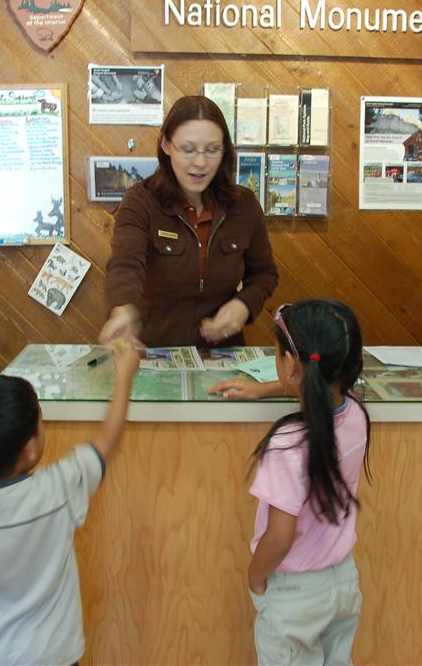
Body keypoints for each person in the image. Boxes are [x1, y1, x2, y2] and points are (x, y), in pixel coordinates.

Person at [0, 342, 140, 665]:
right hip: (55, 655)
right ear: (30, 450)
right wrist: (124, 376)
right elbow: (107, 440)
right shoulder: (58, 489)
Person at [246, 299, 371, 665]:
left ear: (289, 365)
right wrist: (268, 389)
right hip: (343, 580)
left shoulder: (288, 444)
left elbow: (280, 536)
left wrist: (255, 575)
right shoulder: (358, 416)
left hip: (294, 594)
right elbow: (318, 389)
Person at [100, 95, 278, 348]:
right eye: (188, 149)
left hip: (222, 352)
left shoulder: (244, 204)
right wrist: (122, 309)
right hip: (155, 350)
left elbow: (264, 274)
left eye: (213, 150)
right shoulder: (141, 201)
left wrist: (244, 305)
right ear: (166, 145)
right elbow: (125, 265)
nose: (201, 163)